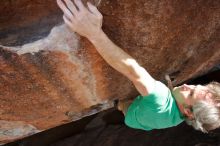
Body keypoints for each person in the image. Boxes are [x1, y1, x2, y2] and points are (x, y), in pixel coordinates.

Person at [57, 0, 220, 133]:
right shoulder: (176, 120)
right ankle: (119, 105)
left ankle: (120, 104)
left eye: (190, 92)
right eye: (195, 86)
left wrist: (93, 33)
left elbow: (133, 71)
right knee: (128, 109)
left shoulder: (160, 97)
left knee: (125, 105)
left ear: (188, 112)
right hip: (142, 123)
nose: (186, 85)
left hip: (133, 114)